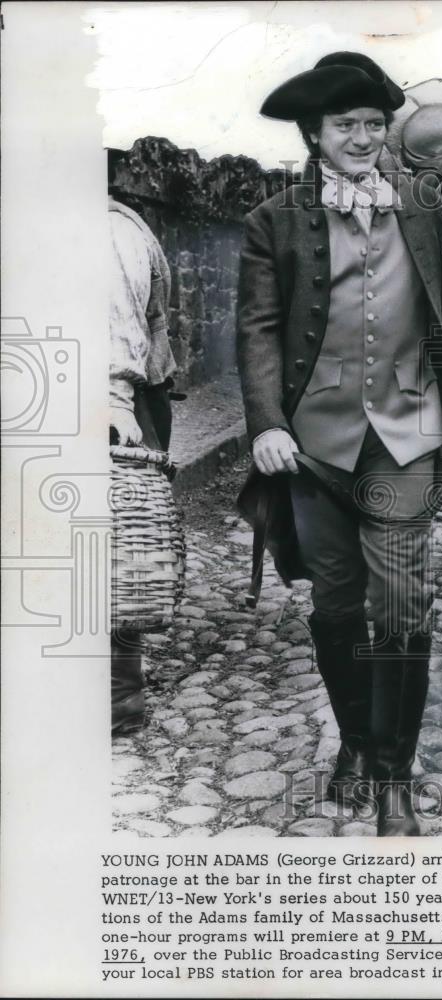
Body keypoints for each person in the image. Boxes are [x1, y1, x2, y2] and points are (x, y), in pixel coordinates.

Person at [236, 52, 442, 836]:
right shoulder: (274, 219)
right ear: (314, 132)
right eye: (347, 126)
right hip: (313, 444)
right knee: (335, 606)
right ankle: (358, 745)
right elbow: (259, 332)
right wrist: (267, 423)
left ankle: (394, 779)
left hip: (404, 433)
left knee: (402, 601)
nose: (364, 137)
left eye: (374, 124)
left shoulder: (418, 204)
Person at [108, 177, 178, 735]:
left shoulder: (109, 228)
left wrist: (113, 401)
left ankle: (118, 701)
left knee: (116, 552)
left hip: (116, 403)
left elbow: (121, 323)